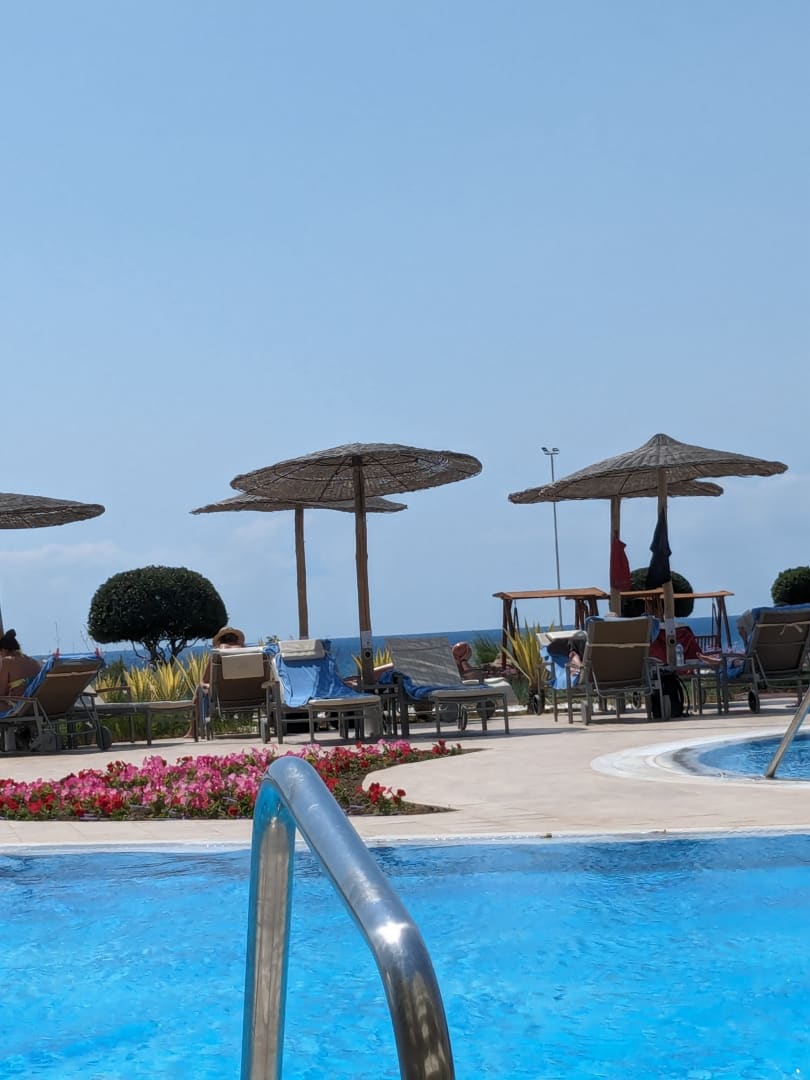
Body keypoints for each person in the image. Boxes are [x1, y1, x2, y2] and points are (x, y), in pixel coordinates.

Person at [186, 626, 246, 738]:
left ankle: (192, 729)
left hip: (222, 696)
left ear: (220, 640)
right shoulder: (251, 654)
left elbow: (204, 681)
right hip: (251, 694)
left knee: (199, 688)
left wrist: (206, 686)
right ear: (237, 639)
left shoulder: (217, 655)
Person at [0, 629, 42, 701]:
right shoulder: (34, 662)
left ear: (4, 650)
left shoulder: (6, 661)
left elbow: (1, 693)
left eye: (0, 654)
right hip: (35, 704)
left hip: (18, 704)